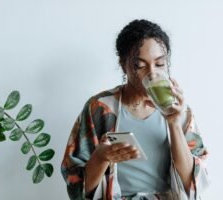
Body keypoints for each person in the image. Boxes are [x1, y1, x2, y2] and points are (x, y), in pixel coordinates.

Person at [61, 19, 210, 200]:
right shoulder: (100, 107)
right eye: (140, 65)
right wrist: (100, 158)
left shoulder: (181, 111)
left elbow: (193, 185)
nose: (152, 73)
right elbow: (76, 186)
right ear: (124, 64)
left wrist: (174, 124)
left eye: (160, 64)